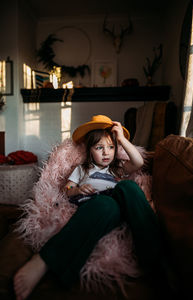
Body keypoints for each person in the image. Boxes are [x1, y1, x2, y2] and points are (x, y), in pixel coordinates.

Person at [13, 115, 163, 300]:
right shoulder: (82, 170)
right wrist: (77, 189)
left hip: (120, 201)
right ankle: (46, 260)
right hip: (98, 208)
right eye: (99, 147)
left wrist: (122, 139)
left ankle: (157, 257)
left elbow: (139, 162)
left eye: (110, 147)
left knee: (128, 186)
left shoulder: (116, 168)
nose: (106, 153)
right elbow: (67, 190)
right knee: (104, 204)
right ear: (90, 150)